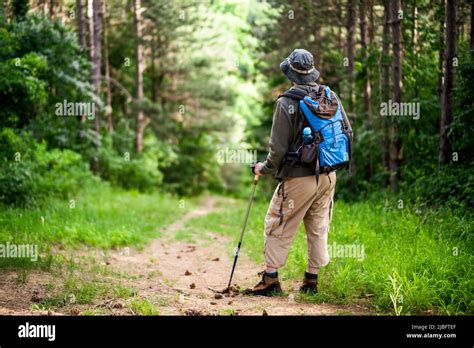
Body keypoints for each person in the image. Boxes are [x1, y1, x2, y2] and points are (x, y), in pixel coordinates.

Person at [246, 48, 352, 296]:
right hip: (328, 175)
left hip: (299, 178)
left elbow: (278, 148)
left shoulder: (286, 102)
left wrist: (264, 168)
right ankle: (311, 282)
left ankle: (270, 281)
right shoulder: (329, 95)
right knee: (318, 226)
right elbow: (347, 130)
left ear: (291, 72)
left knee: (277, 223)